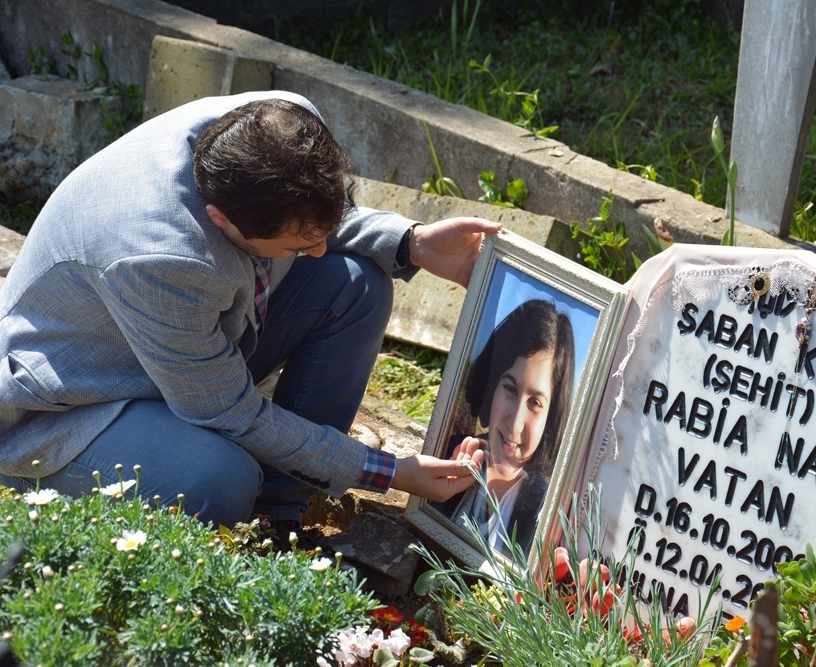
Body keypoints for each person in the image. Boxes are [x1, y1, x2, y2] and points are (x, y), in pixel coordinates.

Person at [0, 91, 496, 529]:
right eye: (295, 247)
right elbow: (227, 409)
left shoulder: (279, 123)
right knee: (220, 481)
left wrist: (411, 242)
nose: (319, 250)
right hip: (73, 405)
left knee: (356, 284)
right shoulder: (160, 259)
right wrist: (386, 472)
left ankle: (279, 507)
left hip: (182, 352)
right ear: (221, 220)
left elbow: (306, 215)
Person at [437, 299, 574, 558]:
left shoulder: (546, 515)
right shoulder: (445, 456)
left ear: (551, 418)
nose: (515, 422)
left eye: (535, 403)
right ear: (491, 387)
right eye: (510, 389)